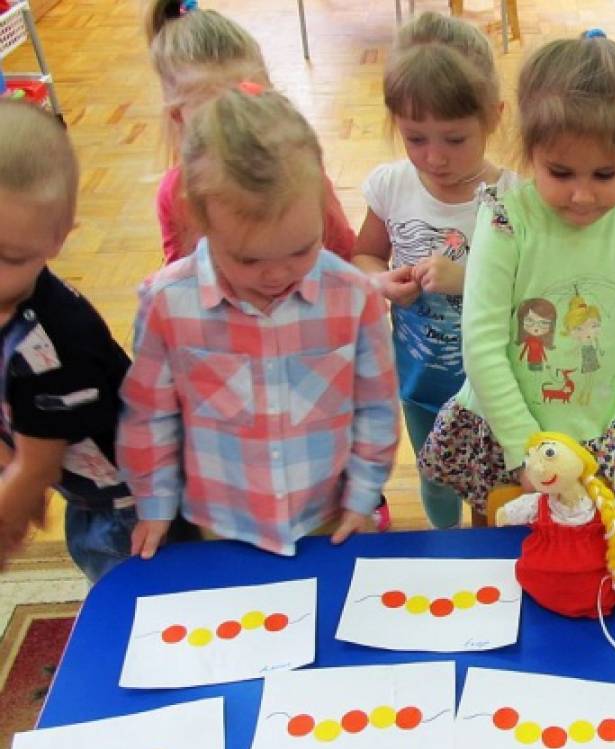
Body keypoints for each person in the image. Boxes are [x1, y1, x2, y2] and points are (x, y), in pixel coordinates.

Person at [118, 86, 400, 558]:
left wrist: (364, 495)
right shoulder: (167, 303)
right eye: (248, 260)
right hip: (220, 525)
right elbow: (150, 414)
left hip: (330, 518)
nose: (276, 275)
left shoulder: (354, 297)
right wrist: (155, 502)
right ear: (200, 219)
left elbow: (375, 407)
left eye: (300, 250)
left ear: (323, 209)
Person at [417, 31, 615, 522]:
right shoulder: (504, 219)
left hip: (595, 431)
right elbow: (481, 343)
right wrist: (522, 445)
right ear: (529, 154)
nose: (582, 196)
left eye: (605, 175)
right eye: (560, 173)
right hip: (505, 429)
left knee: (591, 549)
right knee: (500, 549)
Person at [0, 100, 192, 582]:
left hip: (134, 502)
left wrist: (9, 516)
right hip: (81, 482)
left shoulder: (50, 344)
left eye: (9, 259)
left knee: (141, 598)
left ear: (58, 238)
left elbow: (34, 469)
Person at [353, 11, 517, 529]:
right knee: (434, 474)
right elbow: (365, 255)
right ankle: (449, 544)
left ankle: (488, 549)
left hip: (497, 386)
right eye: (415, 138)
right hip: (422, 379)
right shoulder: (391, 186)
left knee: (498, 480)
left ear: (494, 116)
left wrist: (468, 280)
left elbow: (535, 293)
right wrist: (379, 282)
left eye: (454, 138)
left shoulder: (513, 199)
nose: (435, 157)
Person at [144, 0, 356, 266]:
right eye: (217, 115)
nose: (238, 124)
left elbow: (345, 257)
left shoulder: (299, 169)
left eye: (250, 100)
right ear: (179, 118)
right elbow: (180, 281)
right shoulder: (175, 194)